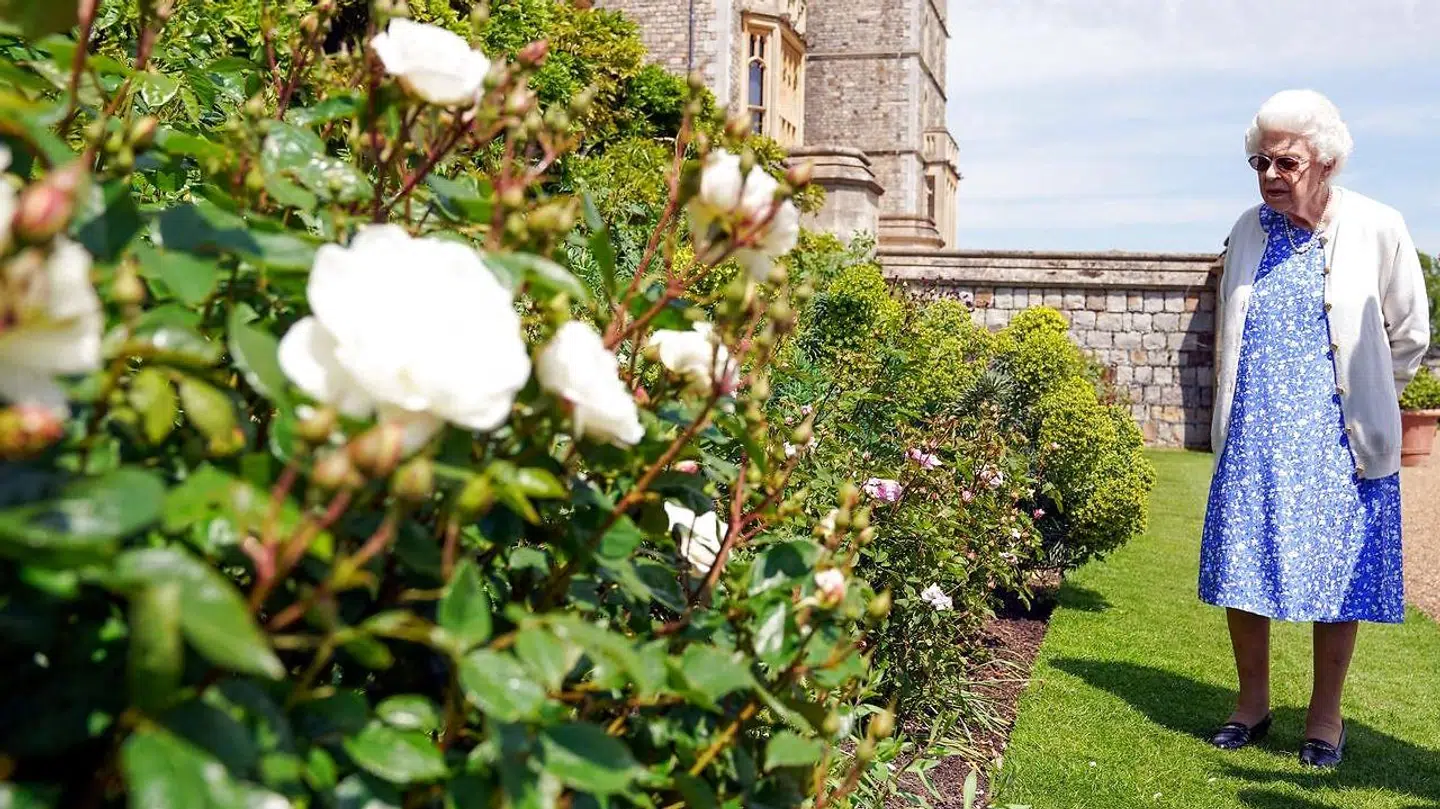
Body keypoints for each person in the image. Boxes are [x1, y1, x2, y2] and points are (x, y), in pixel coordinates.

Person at [1199, 89, 1430, 768]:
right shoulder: (1246, 231)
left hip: (1339, 442)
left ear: (1324, 160)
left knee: (1339, 578)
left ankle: (1324, 718)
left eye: (1285, 162)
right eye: (1260, 161)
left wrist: (1372, 401)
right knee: (1243, 567)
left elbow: (1410, 333)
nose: (1270, 174)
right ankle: (1252, 704)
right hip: (1255, 435)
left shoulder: (1378, 226)